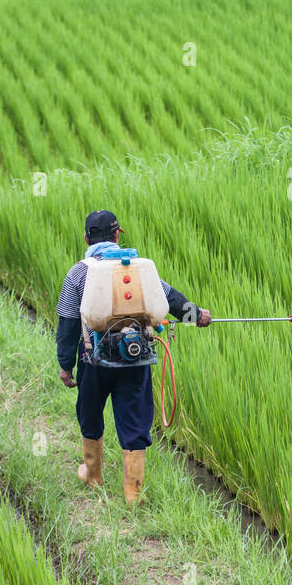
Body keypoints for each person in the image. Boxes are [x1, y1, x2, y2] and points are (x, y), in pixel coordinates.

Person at [56, 210, 210, 504]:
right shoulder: (139, 268)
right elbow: (170, 299)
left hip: (93, 360)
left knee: (90, 414)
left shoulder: (78, 273)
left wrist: (66, 366)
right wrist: (198, 315)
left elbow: (67, 323)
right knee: (135, 421)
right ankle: (133, 495)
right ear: (117, 235)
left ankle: (93, 476)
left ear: (87, 238)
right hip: (135, 359)